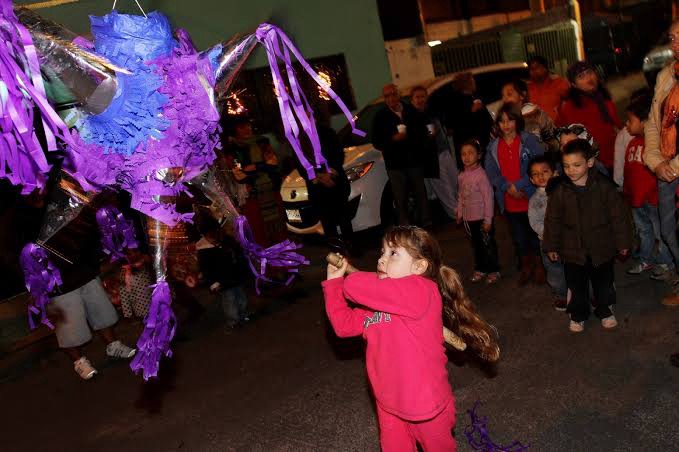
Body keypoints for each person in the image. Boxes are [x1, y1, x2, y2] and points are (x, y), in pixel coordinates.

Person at [322, 225, 499, 451]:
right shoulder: (377, 302)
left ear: (419, 266)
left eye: (393, 253)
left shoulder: (422, 291)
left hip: (426, 405)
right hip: (388, 401)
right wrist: (334, 284)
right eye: (382, 252)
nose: (381, 260)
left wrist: (351, 278)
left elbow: (358, 286)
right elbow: (343, 325)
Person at [543, 139, 633, 333]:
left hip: (602, 247)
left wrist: (623, 242)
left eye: (576, 165)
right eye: (566, 166)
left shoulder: (604, 187)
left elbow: (619, 217)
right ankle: (577, 314)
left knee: (604, 283)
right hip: (572, 250)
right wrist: (551, 246)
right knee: (576, 286)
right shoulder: (559, 191)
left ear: (590, 162)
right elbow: (552, 221)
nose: (571, 170)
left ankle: (605, 310)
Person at [485, 103, 545, 285]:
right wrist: (507, 187)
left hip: (531, 198)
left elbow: (540, 165)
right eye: (502, 121)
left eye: (510, 120)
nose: (506, 125)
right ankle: (526, 267)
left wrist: (519, 185)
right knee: (519, 238)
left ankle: (540, 266)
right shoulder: (494, 147)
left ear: (517, 121)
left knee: (536, 235)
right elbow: (491, 172)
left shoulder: (529, 141)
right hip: (510, 201)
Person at [643, 19, 679, 306]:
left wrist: (673, 167)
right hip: (665, 167)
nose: (674, 43)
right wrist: (655, 161)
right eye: (672, 37)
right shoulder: (666, 75)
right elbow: (654, 123)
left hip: (674, 168)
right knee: (668, 230)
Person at [623, 94, 674, 277]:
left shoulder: (659, 147)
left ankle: (666, 262)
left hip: (654, 202)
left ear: (645, 121)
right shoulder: (631, 144)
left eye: (630, 120)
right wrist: (627, 192)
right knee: (644, 232)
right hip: (637, 202)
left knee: (661, 234)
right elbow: (629, 173)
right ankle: (646, 260)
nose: (626, 125)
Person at [221, 115, 286, 246]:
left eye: (248, 125)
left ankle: (285, 263)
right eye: (242, 127)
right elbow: (239, 175)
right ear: (235, 130)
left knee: (279, 231)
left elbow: (273, 164)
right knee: (259, 234)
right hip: (251, 196)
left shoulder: (262, 142)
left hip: (271, 192)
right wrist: (263, 167)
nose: (247, 129)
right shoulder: (233, 149)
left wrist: (254, 167)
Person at [373, 83, 431, 226]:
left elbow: (422, 131)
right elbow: (377, 141)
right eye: (387, 96)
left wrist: (416, 138)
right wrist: (393, 139)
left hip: (413, 160)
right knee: (400, 196)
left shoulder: (410, 110)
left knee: (420, 192)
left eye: (393, 94)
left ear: (399, 95)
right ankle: (405, 225)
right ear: (384, 99)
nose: (391, 98)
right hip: (395, 164)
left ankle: (426, 221)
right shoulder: (380, 117)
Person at [558, 61, 622, 175]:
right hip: (592, 165)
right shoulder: (569, 106)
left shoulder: (605, 100)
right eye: (581, 76)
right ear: (573, 84)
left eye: (589, 72)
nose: (588, 78)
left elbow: (616, 126)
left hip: (615, 158)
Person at [410, 86, 458, 220]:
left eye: (422, 96)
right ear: (412, 100)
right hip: (430, 159)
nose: (420, 100)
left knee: (456, 183)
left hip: (443, 152)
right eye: (417, 97)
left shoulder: (431, 112)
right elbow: (415, 141)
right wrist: (428, 137)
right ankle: (456, 215)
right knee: (444, 190)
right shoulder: (412, 118)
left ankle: (465, 211)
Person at [527, 156, 568, 311]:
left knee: (575, 266)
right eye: (536, 174)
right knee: (554, 270)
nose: (541, 176)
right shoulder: (534, 200)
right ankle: (561, 294)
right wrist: (549, 235)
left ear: (555, 173)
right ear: (531, 179)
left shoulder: (564, 192)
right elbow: (534, 222)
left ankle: (580, 290)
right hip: (547, 241)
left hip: (568, 239)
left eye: (545, 171)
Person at [457, 139, 500, 284]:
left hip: (482, 218)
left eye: (470, 153)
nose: (466, 157)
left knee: (488, 245)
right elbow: (461, 195)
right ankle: (481, 268)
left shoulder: (481, 176)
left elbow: (489, 198)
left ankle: (494, 269)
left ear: (479, 155)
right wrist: (459, 213)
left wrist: (488, 220)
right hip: (469, 220)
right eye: (463, 154)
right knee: (477, 246)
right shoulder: (462, 175)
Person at [196, 215, 249, 329]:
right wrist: (212, 282)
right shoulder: (204, 250)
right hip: (222, 281)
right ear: (205, 236)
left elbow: (238, 254)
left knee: (241, 297)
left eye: (216, 233)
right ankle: (233, 321)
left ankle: (243, 315)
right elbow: (206, 268)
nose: (215, 238)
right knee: (229, 300)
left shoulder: (226, 240)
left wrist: (243, 267)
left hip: (235, 276)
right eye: (211, 236)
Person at [501, 79, 558, 154]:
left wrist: (543, 147)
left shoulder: (535, 115)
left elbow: (554, 140)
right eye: (503, 95)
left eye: (509, 94)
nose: (504, 99)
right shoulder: (503, 118)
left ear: (522, 95)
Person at [527, 55, 570, 122]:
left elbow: (571, 104)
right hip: (535, 129)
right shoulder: (528, 88)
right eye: (531, 69)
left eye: (537, 67)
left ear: (545, 68)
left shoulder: (559, 83)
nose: (534, 71)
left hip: (557, 127)